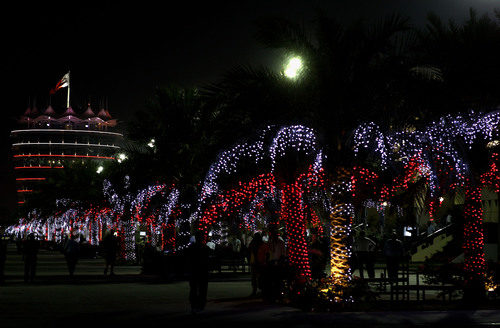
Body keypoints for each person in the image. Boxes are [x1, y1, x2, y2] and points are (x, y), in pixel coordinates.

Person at [186, 231, 210, 313]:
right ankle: (200, 305)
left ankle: (194, 304)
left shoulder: (191, 247)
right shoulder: (205, 248)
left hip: (194, 271)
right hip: (202, 271)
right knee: (202, 289)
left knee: (194, 288)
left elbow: (188, 259)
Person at [247, 232, 264, 296]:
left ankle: (254, 290)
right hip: (260, 262)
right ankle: (261, 290)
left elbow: (248, 252)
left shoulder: (252, 244)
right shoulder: (262, 244)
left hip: (254, 262)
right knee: (260, 277)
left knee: (254, 277)